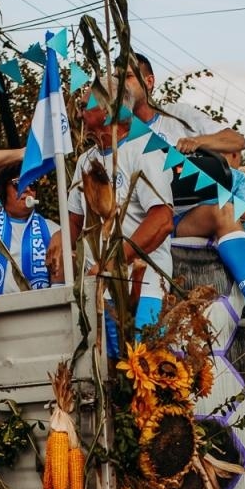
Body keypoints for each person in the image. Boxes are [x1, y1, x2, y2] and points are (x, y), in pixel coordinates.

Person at [122, 54, 245, 330]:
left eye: (128, 77)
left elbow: (236, 141)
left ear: (149, 81)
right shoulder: (116, 131)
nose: (121, 85)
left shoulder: (177, 115)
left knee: (224, 209)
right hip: (137, 225)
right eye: (116, 79)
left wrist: (197, 142)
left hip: (179, 218)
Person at [65, 88, 175, 338]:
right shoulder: (85, 161)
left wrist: (111, 265)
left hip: (143, 289)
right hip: (96, 290)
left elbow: (162, 221)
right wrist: (58, 245)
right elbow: (74, 222)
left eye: (84, 106)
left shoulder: (145, 151)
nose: (79, 113)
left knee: (140, 360)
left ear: (107, 110)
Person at [0, 148, 61, 296]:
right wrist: (21, 154)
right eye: (19, 184)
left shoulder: (52, 230)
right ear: (3, 189)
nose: (27, 189)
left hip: (37, 309)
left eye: (33, 184)